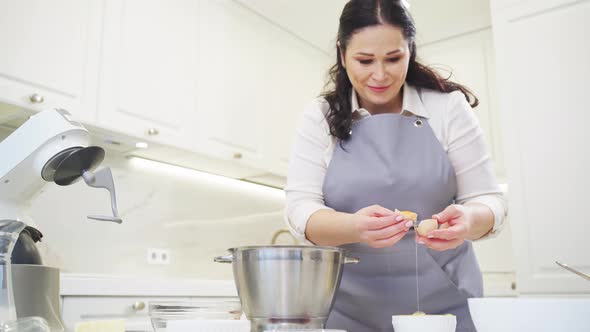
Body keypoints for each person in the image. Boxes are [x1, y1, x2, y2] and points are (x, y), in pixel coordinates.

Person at [284, 1, 508, 331]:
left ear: (410, 51)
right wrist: (354, 227)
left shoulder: (447, 108)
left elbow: (491, 201)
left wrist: (469, 220)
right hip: (346, 312)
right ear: (342, 54)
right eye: (364, 60)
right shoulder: (320, 116)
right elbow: (299, 210)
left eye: (393, 58)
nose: (380, 74)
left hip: (445, 313)